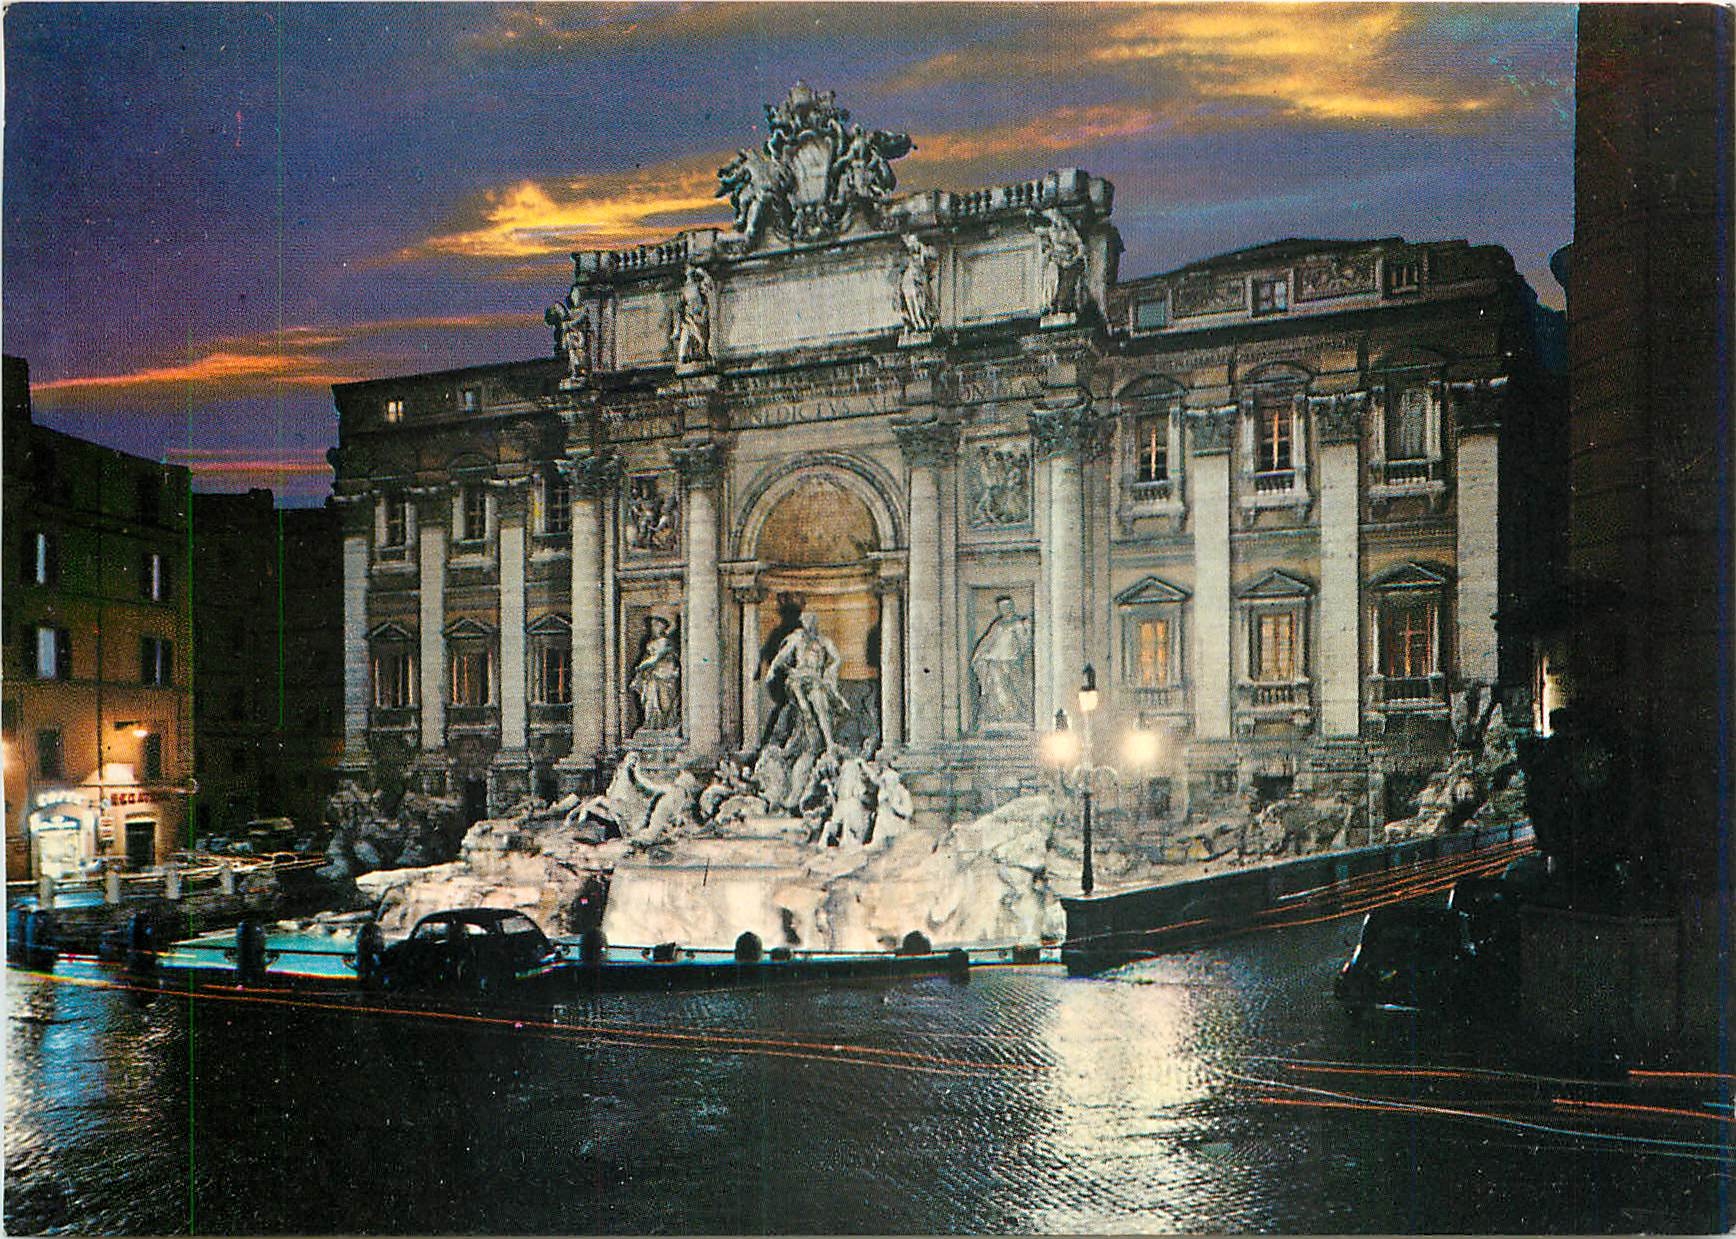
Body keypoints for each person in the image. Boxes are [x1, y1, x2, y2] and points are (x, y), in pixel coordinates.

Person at [765, 611, 847, 755]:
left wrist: (830, 670)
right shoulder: (796, 639)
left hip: (815, 679)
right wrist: (773, 669)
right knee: (804, 708)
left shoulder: (823, 641)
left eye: (811, 621)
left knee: (819, 701)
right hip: (797, 678)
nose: (808, 624)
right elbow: (781, 656)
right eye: (805, 621)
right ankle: (808, 740)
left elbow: (837, 658)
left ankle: (829, 743)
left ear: (816, 623)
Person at [970, 596, 1033, 726]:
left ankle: (1013, 714)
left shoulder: (1018, 623)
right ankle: (1001, 713)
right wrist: (980, 653)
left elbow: (1024, 643)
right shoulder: (998, 623)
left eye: (1006, 606)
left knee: (1012, 686)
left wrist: (1027, 631)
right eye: (1001, 607)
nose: (1004, 609)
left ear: (1012, 606)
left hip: (1011, 659)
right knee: (996, 685)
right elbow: (989, 639)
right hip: (994, 658)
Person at [630, 616, 681, 732]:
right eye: (652, 625)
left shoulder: (665, 642)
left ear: (661, 627)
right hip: (652, 676)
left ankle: (663, 723)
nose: (652, 628)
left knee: (663, 700)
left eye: (655, 625)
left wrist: (641, 666)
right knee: (649, 698)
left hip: (664, 674)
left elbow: (656, 657)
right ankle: (650, 722)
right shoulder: (651, 642)